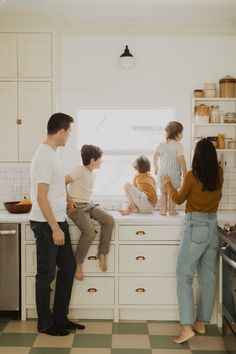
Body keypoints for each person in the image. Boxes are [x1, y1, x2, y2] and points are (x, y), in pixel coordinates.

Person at [161, 138, 223, 344]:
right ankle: (202, 323)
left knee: (184, 275)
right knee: (208, 276)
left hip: (196, 226)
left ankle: (187, 327)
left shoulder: (192, 176)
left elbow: (178, 200)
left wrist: (168, 184)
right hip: (213, 227)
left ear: (196, 156)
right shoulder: (219, 174)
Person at [30, 113, 85, 336]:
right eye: (69, 132)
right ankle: (45, 323)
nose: (69, 136)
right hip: (46, 223)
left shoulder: (53, 153)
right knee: (46, 274)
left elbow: (55, 186)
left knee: (69, 267)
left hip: (57, 220)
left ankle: (60, 318)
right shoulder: (43, 156)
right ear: (61, 132)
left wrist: (67, 198)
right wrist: (54, 228)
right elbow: (41, 196)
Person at [65, 144, 114, 281]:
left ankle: (102, 253)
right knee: (89, 232)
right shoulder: (79, 170)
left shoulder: (91, 173)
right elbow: (61, 182)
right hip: (76, 207)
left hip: (88, 204)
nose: (102, 161)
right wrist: (69, 201)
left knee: (109, 220)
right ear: (93, 160)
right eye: (100, 159)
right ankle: (78, 264)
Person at [153, 121, 187, 216]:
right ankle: (172, 210)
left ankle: (163, 209)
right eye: (182, 133)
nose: (182, 135)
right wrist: (185, 172)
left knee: (163, 192)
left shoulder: (161, 145)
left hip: (162, 174)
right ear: (178, 134)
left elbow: (155, 156)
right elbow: (182, 161)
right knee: (173, 193)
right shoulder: (178, 146)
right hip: (173, 175)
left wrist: (155, 167)